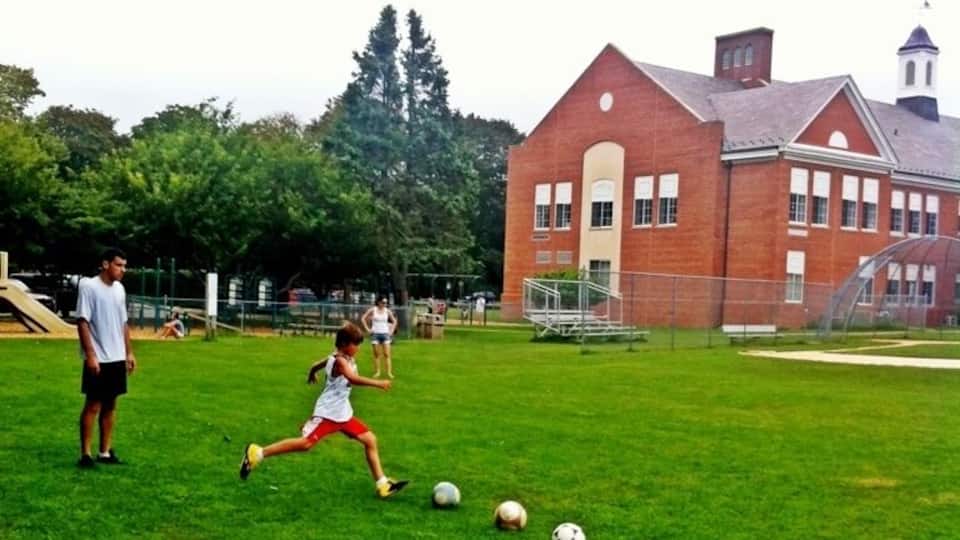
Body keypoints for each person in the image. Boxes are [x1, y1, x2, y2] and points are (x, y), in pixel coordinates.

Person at [239, 322, 408, 499]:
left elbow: (316, 364)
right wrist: (378, 383)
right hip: (329, 413)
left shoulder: (338, 357)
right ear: (344, 344)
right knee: (305, 444)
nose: (358, 348)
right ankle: (257, 453)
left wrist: (312, 373)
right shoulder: (340, 361)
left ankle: (382, 485)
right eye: (355, 344)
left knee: (370, 440)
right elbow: (353, 378)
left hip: (343, 413)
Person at [76, 247, 137, 468]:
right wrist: (90, 355)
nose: (123, 270)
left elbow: (123, 323)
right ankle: (85, 454)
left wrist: (128, 352)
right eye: (119, 265)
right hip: (98, 358)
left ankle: (105, 452)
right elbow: (82, 322)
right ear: (105, 264)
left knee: (111, 405)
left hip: (116, 357)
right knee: (93, 405)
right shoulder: (89, 287)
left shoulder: (120, 290)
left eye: (124, 265)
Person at [361, 297, 398, 379]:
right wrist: (368, 329)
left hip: (385, 334)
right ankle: (377, 372)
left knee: (387, 354)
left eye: (386, 302)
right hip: (375, 334)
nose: (385, 304)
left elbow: (394, 321)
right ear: (378, 302)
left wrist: (391, 331)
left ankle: (389, 373)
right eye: (383, 302)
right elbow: (363, 318)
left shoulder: (387, 311)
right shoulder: (373, 310)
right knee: (376, 354)